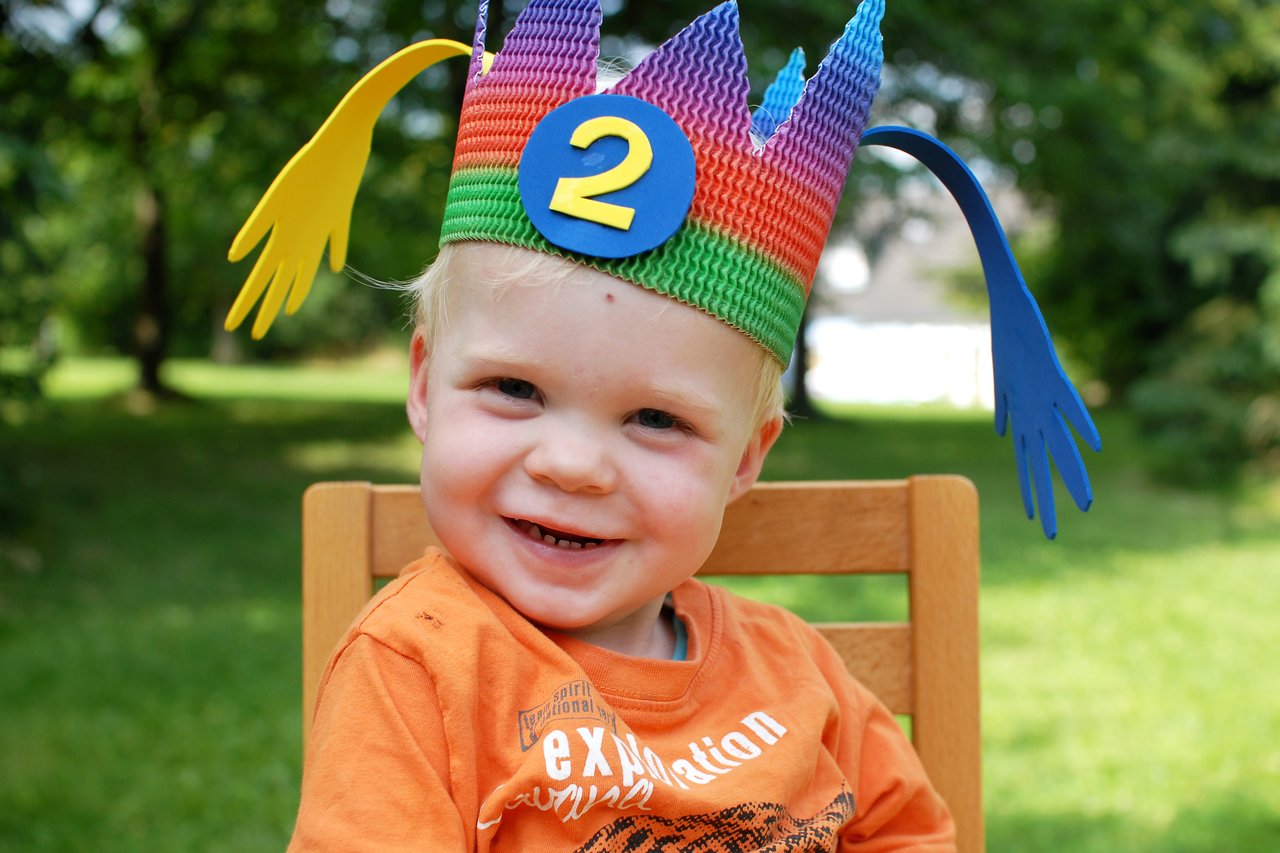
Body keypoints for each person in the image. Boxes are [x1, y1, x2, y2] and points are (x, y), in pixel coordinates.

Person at [226, 0, 1098, 848]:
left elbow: (908, 831)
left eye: (654, 417)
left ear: (747, 460)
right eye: (514, 389)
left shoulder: (796, 670)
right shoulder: (416, 669)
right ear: (424, 386)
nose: (573, 464)